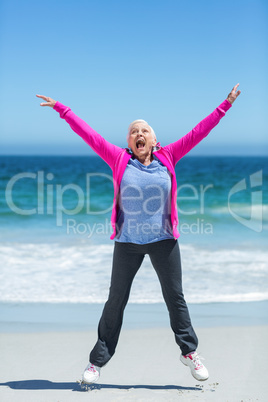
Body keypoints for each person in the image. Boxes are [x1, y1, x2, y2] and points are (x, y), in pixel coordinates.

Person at [36, 84, 241, 383]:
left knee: (175, 297)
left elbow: (200, 131)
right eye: (134, 131)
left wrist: (226, 104)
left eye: (144, 130)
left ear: (155, 140)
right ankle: (96, 363)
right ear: (129, 141)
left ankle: (189, 353)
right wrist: (61, 109)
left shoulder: (169, 156)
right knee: (115, 300)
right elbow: (89, 135)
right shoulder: (119, 159)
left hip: (164, 240)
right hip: (128, 242)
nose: (139, 133)